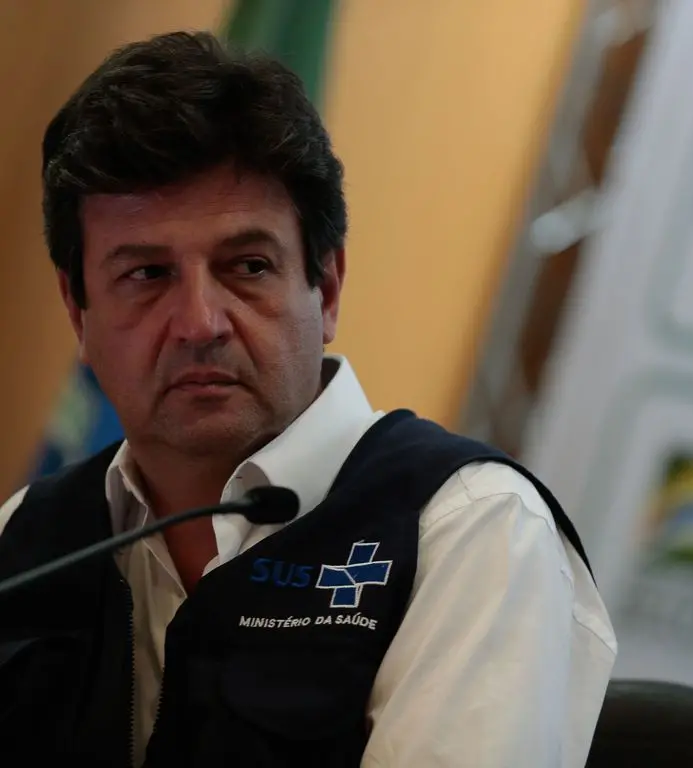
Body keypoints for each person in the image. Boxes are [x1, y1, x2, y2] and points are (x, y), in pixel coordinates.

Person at [0, 31, 616, 767]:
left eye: (247, 266)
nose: (200, 323)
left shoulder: (467, 530)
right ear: (78, 313)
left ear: (325, 288)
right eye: (146, 275)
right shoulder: (27, 539)